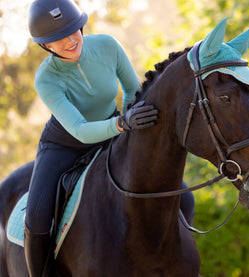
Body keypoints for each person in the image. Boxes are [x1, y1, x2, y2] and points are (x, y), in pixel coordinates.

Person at [25, 0, 194, 276]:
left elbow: (131, 91)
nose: (70, 40)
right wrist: (123, 123)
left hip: (114, 131)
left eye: (74, 29)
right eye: (58, 38)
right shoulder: (46, 78)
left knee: (185, 199)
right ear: (46, 45)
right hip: (65, 144)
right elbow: (79, 128)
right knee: (37, 215)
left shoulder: (106, 45)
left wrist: (128, 122)